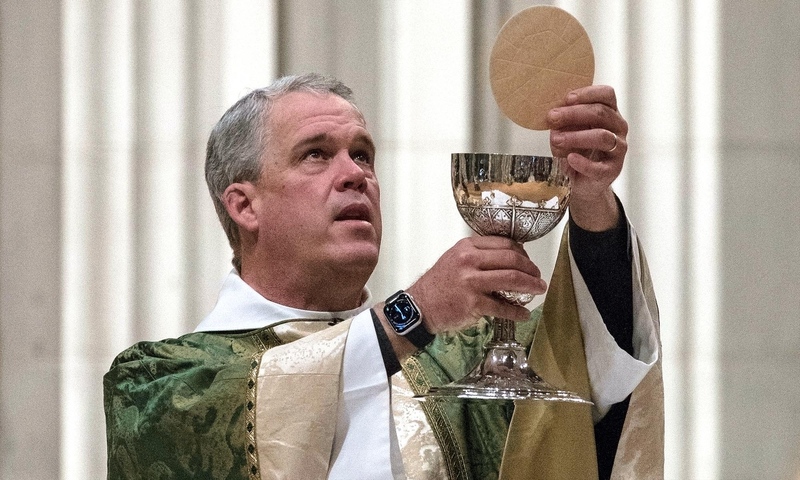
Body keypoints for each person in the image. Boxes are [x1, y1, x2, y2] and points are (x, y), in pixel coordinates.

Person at [104, 73, 662, 480]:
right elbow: (259, 403)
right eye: (317, 155)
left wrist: (590, 200)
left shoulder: (454, 362)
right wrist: (416, 311)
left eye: (363, 155)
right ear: (244, 206)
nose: (356, 175)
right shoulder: (160, 385)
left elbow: (595, 371)